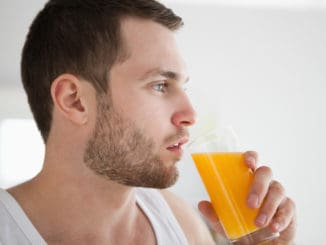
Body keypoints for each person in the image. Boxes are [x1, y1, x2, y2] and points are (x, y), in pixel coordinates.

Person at [0, 0, 296, 244]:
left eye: (183, 86)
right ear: (74, 100)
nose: (191, 114)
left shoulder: (184, 225)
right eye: (159, 85)